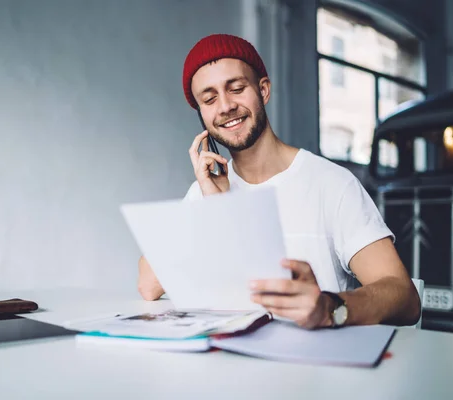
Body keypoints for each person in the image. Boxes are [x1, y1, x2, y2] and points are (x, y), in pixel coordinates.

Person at [137, 33, 421, 329]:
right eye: (209, 99)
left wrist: (328, 306)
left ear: (263, 90)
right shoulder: (207, 189)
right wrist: (216, 208)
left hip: (317, 365)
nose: (224, 107)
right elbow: (149, 285)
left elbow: (405, 298)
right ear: (202, 114)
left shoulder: (332, 183)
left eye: (236, 89)